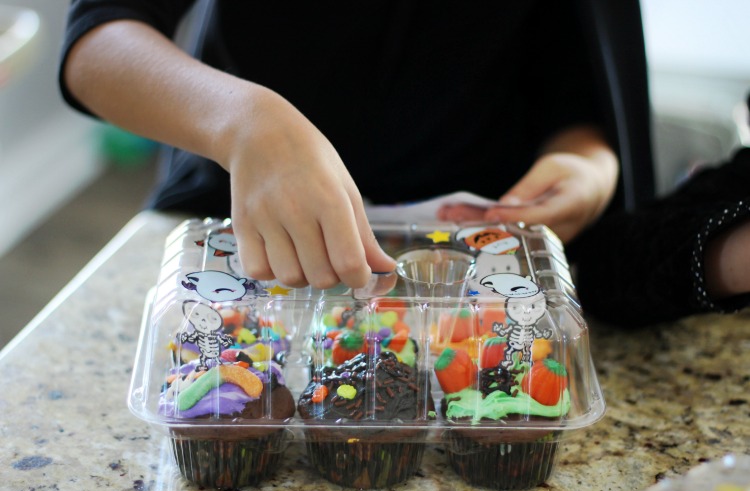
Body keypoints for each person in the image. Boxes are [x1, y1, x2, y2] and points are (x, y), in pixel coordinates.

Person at [58, 1, 749, 327]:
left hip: (486, 268)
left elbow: (577, 87)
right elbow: (98, 40)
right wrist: (242, 123)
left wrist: (586, 166)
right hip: (242, 245)